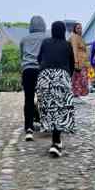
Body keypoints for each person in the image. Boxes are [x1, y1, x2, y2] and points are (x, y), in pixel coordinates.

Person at [36, 20, 76, 158]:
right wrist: (67, 76)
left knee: (49, 108)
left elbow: (39, 59)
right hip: (61, 76)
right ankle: (56, 142)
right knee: (60, 109)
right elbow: (72, 63)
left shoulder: (45, 42)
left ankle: (55, 142)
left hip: (45, 76)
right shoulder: (67, 44)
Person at [19, 15, 47, 141]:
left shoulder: (24, 39)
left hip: (27, 70)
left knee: (28, 99)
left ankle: (29, 127)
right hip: (42, 70)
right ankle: (45, 123)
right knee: (44, 98)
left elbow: (21, 56)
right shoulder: (47, 38)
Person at [69, 22, 89, 98]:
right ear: (74, 29)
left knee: (83, 79)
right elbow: (75, 50)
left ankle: (82, 94)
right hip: (79, 61)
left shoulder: (81, 38)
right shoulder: (74, 37)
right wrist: (76, 62)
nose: (80, 29)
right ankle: (78, 94)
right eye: (78, 28)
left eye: (80, 28)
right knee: (79, 79)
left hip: (84, 61)